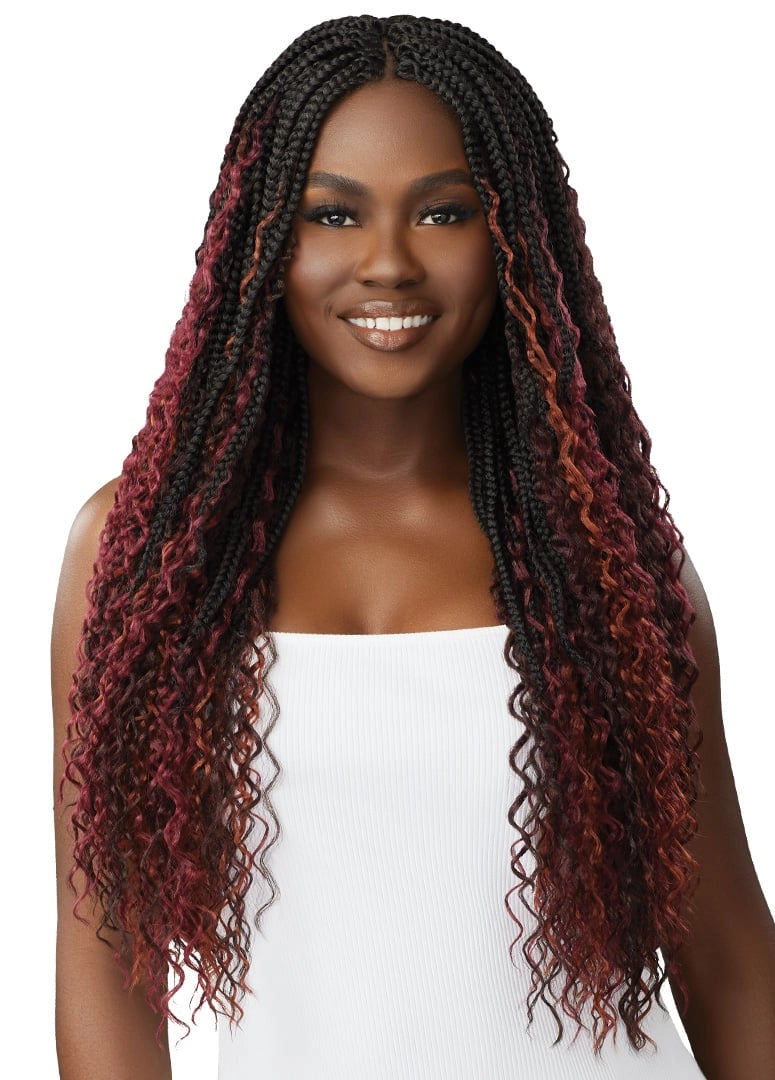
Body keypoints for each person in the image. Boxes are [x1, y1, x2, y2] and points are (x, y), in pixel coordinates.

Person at [52, 14, 775, 1080]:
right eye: (332, 214)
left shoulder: (609, 563)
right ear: (260, 241)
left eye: (443, 211)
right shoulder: (142, 554)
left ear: (513, 237)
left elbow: (726, 958)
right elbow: (104, 960)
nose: (387, 263)